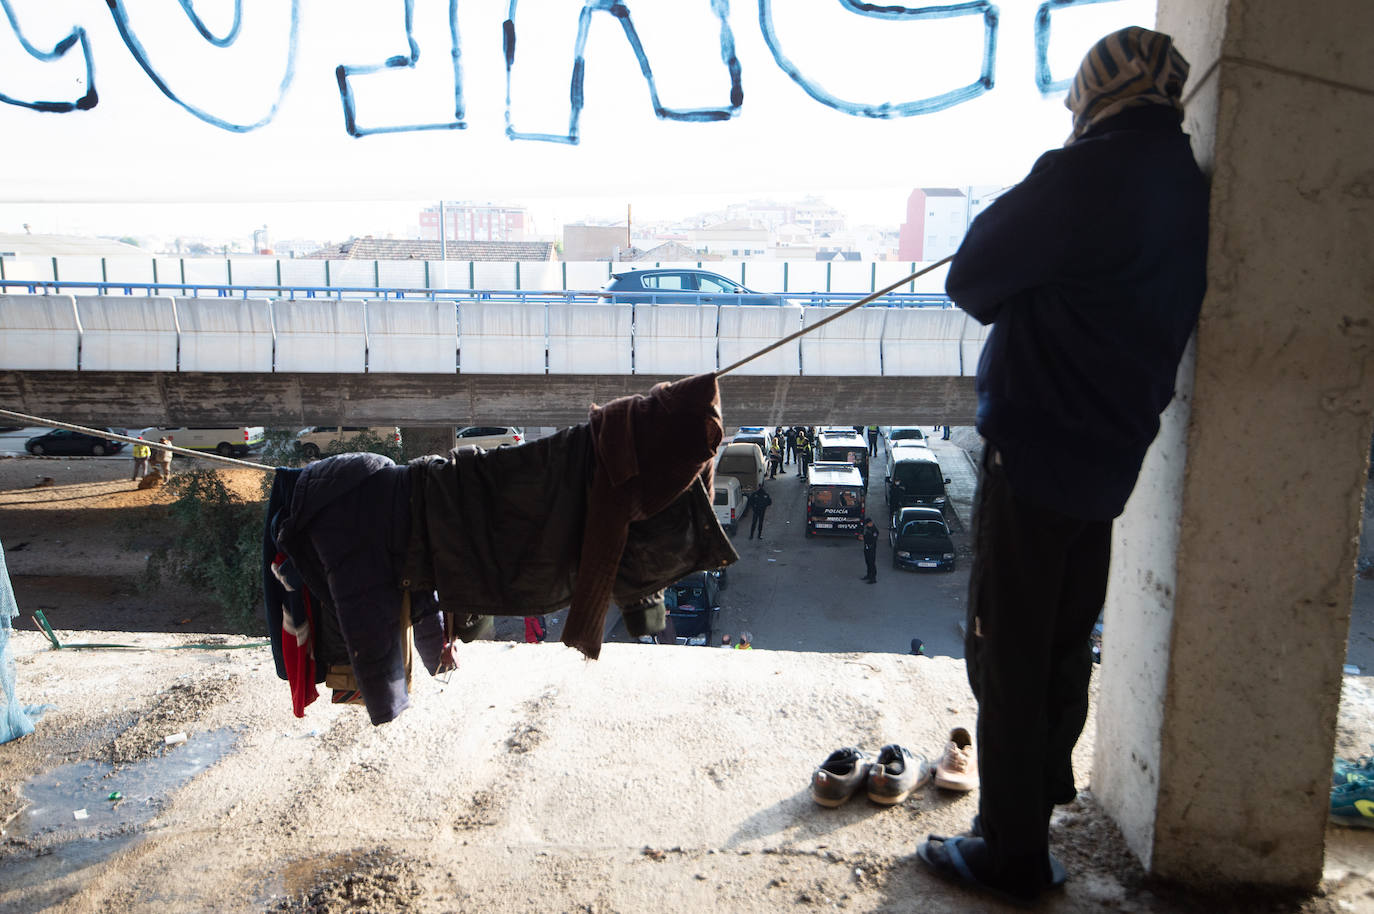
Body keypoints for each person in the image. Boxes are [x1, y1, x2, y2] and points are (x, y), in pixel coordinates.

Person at [915, 27, 1208, 907]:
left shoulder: (1081, 174)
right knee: (1061, 644)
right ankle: (1033, 810)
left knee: (1007, 650)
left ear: (1092, 97)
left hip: (1035, 451)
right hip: (1109, 459)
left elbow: (972, 277)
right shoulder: (1186, 187)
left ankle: (1008, 854)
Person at [860, 517, 878, 583]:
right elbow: (866, 535)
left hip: (871, 549)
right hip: (866, 547)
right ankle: (869, 575)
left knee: (871, 563)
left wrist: (865, 539)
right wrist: (863, 537)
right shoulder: (868, 528)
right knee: (867, 562)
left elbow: (873, 540)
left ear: (870, 523)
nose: (866, 525)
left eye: (867, 524)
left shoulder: (874, 530)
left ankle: (873, 578)